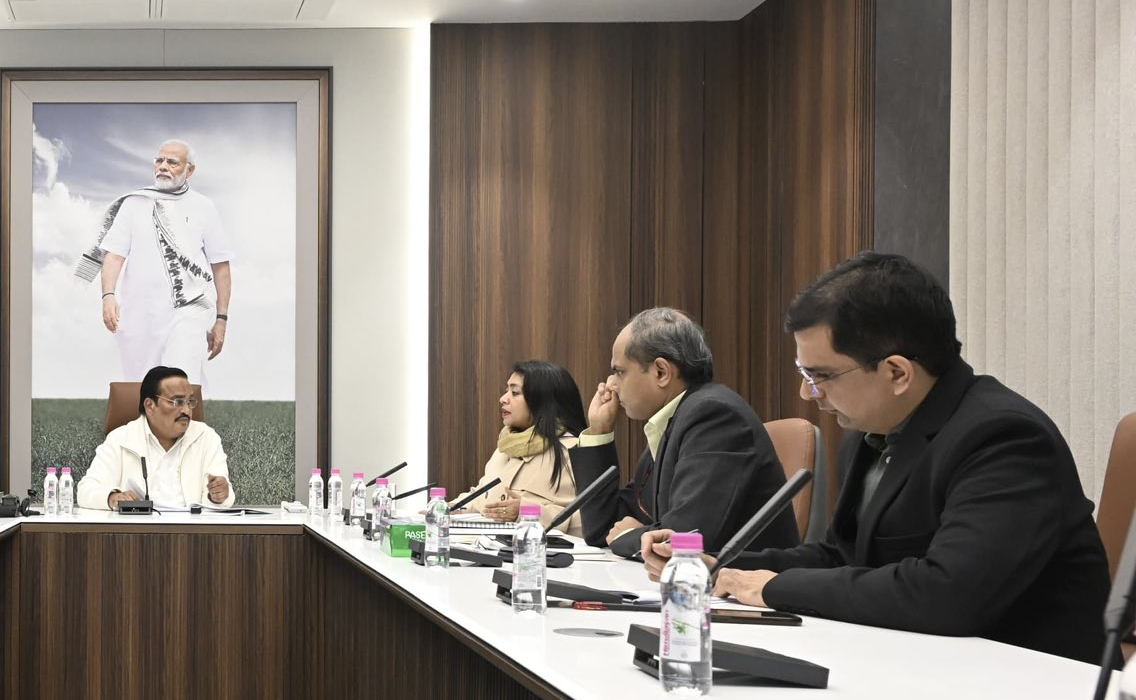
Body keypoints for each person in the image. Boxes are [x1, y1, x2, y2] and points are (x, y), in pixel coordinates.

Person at [645, 253, 1111, 662]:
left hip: (1022, 693)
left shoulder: (1003, 437)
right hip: (913, 664)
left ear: (896, 373)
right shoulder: (872, 435)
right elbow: (841, 556)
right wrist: (723, 567)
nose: (808, 394)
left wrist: (771, 588)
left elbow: (947, 594)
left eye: (821, 376)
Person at [570, 308, 799, 558]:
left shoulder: (714, 417)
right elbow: (603, 529)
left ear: (661, 372)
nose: (611, 384)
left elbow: (684, 539)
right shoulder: (674, 421)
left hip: (741, 581)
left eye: (620, 372)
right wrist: (599, 431)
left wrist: (629, 536)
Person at [79, 140, 235, 383]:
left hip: (188, 313)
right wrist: (108, 295)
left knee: (180, 381)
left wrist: (221, 319)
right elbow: (114, 254)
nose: (163, 166)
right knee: (142, 387)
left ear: (190, 170)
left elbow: (220, 266)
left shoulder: (204, 207)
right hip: (140, 315)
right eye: (159, 160)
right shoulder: (134, 204)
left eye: (172, 162)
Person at [76, 365, 234, 510]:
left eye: (189, 402)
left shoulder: (206, 437)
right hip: (137, 528)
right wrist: (112, 497)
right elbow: (86, 490)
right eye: (178, 401)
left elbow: (222, 493)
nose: (186, 410)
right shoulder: (121, 439)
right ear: (150, 405)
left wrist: (218, 495)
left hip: (191, 528)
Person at [458, 361, 584, 534]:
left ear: (542, 400)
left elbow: (590, 521)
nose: (503, 399)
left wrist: (527, 512)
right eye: (507, 391)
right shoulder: (506, 448)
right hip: (488, 546)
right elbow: (481, 496)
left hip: (538, 549)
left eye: (515, 392)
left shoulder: (575, 450)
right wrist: (450, 508)